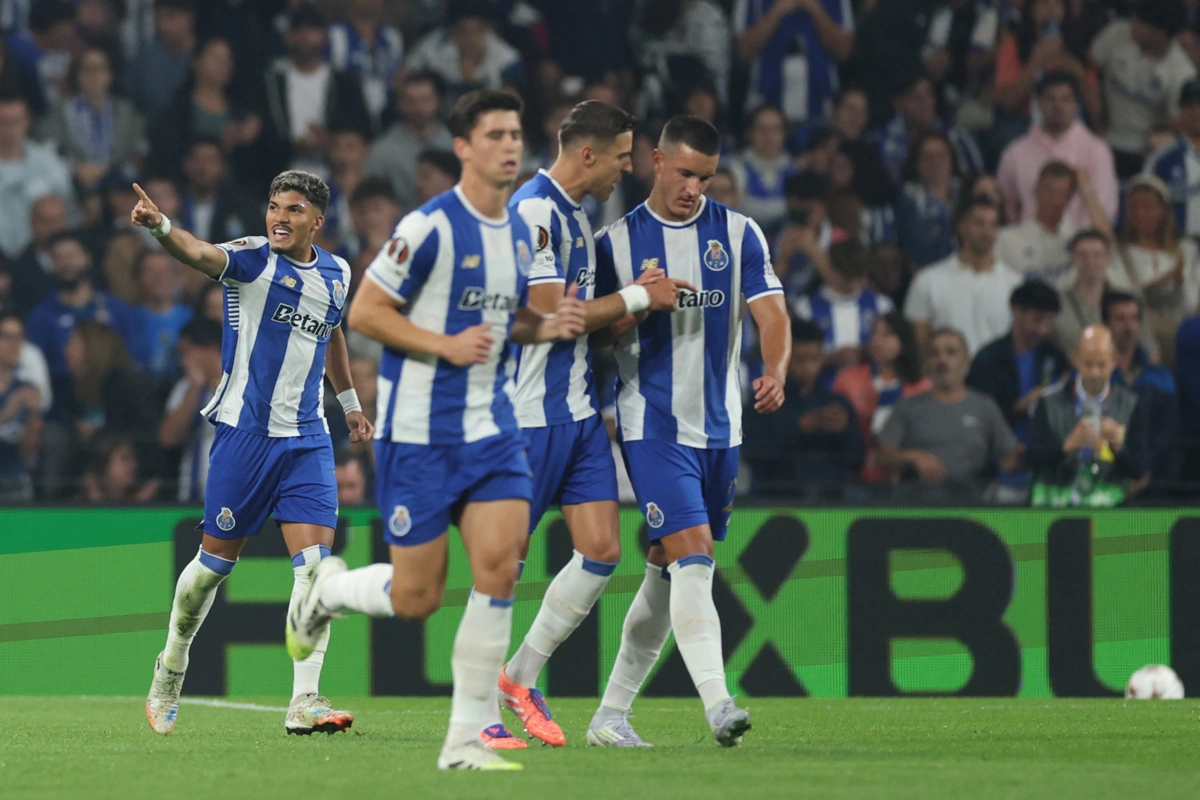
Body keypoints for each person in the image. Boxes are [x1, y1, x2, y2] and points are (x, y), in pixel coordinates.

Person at [286, 90, 587, 772]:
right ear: (463, 147)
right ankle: (326, 591)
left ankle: (462, 742)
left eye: (516, 133)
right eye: (495, 135)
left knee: (499, 568)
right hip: (419, 434)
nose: (511, 145)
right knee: (417, 597)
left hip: (494, 429)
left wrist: (548, 325)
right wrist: (443, 345)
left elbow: (508, 321)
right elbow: (364, 313)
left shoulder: (520, 231)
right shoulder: (428, 227)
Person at [131, 168, 373, 737]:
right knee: (211, 571)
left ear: (318, 221)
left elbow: (331, 331)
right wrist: (161, 226)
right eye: (273, 206)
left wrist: (351, 402)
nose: (279, 218)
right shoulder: (252, 258)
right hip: (243, 435)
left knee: (314, 571)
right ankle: (171, 664)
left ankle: (304, 701)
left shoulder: (337, 272)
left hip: (308, 437)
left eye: (292, 210)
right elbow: (197, 254)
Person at [584, 115, 789, 747]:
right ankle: (719, 704)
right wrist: (638, 303)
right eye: (684, 173)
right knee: (694, 556)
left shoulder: (739, 233)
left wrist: (776, 368)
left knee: (666, 571)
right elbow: (591, 339)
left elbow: (772, 313)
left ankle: (609, 716)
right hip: (653, 426)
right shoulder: (614, 244)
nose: (693, 187)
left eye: (705, 176)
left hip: (721, 430)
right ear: (655, 161)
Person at [492, 100, 687, 750]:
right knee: (504, 571)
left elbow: (590, 333)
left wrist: (635, 306)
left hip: (577, 417)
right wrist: (636, 296)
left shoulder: (578, 217)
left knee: (602, 550)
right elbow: (551, 316)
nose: (627, 169)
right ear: (587, 154)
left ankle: (519, 677)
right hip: (524, 420)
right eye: (622, 156)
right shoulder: (535, 211)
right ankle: (479, 716)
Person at [877, 327, 1023, 502]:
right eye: (934, 353)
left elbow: (1009, 458)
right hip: (917, 506)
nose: (942, 359)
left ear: (967, 362)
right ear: (927, 363)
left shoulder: (984, 406)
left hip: (973, 507)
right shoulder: (907, 407)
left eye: (951, 352)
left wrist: (1033, 454)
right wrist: (913, 457)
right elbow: (882, 456)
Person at [24, 231, 140, 419]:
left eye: (71, 255)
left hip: (116, 403)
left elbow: (134, 355)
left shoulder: (117, 309)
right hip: (62, 408)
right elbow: (35, 369)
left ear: (87, 258)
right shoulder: (40, 316)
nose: (65, 263)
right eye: (57, 258)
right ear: (50, 266)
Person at [1027, 325, 1147, 506]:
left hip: (1108, 508)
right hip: (1054, 506)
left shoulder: (1131, 405)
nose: (1094, 373)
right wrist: (1067, 445)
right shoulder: (1048, 402)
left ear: (1114, 360)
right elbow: (1030, 458)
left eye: (1101, 364)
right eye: (1088, 364)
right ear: (1075, 359)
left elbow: (1139, 469)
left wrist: (1119, 447)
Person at [744, 318, 862, 497]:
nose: (808, 367)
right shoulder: (762, 402)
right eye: (800, 360)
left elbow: (857, 460)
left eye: (814, 359)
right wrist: (799, 429)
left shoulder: (837, 404)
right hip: (775, 501)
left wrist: (845, 432)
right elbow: (753, 455)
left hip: (831, 504)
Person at [260, 5, 371, 179]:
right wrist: (291, 145)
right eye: (299, 30)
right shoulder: (271, 83)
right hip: (277, 175)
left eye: (312, 29)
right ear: (289, 37)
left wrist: (331, 140)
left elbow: (362, 130)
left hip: (334, 176)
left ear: (325, 36)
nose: (305, 36)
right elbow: (263, 132)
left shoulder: (344, 84)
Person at [995, 71, 1118, 228]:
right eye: (1051, 99)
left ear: (1076, 104)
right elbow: (1006, 208)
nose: (1058, 106)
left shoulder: (1097, 150)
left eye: (1066, 99)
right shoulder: (1015, 152)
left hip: (1079, 243)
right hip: (1027, 241)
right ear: (1038, 103)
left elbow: (1105, 208)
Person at [903, 197, 1023, 355]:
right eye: (979, 223)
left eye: (993, 225)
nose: (987, 232)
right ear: (962, 227)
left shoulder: (1016, 283)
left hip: (999, 375)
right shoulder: (928, 280)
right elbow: (918, 341)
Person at [1090, 0, 1195, 179]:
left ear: (1160, 33)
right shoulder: (1118, 33)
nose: (1134, 24)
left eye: (1141, 22)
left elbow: (1178, 122)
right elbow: (1089, 71)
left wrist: (1160, 132)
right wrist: (1096, 122)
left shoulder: (1182, 72)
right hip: (1101, 136)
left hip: (1144, 152)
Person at [1106, 173, 1200, 367]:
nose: (1140, 214)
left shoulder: (1187, 251)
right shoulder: (1117, 254)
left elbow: (1193, 298)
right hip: (1144, 340)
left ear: (1164, 210)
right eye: (1134, 208)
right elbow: (1126, 297)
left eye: (1148, 208)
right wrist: (1164, 283)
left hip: (1188, 335)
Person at [967, 280, 1070, 447]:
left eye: (1049, 322)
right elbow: (977, 412)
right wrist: (1021, 405)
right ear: (1016, 310)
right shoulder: (989, 358)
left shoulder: (1055, 356)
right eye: (1037, 320)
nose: (1042, 329)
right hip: (997, 451)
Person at [832, 311, 929, 484]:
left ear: (904, 341)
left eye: (887, 334)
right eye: (874, 334)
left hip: (909, 476)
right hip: (856, 472)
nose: (877, 341)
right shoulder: (848, 379)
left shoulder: (922, 385)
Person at [37, 45, 146, 192]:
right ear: (77, 75)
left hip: (120, 186)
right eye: (88, 70)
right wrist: (75, 168)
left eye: (100, 69)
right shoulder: (61, 111)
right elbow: (48, 148)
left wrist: (110, 171)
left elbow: (138, 151)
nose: (94, 76)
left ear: (110, 75)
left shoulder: (126, 111)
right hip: (74, 184)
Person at [733, 0, 854, 125]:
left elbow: (844, 51)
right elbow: (743, 51)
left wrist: (815, 10)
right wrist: (777, 11)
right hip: (766, 100)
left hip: (820, 102)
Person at [1053, 230, 1156, 359]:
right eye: (1082, 255)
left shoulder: (1130, 301)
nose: (1090, 262)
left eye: (1097, 255)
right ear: (1072, 259)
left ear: (1108, 258)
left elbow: (1150, 350)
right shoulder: (1056, 302)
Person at [792, 238, 892, 366]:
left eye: (858, 275)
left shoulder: (882, 305)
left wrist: (864, 353)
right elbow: (795, 357)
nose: (853, 283)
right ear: (832, 268)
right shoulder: (804, 308)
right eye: (848, 275)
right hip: (822, 383)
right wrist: (831, 358)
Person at [364, 70, 452, 209]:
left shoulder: (456, 145)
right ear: (400, 103)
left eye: (426, 100)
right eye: (411, 101)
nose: (418, 107)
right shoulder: (383, 150)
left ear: (440, 101)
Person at [0, 96, 73, 260]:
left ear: (27, 122)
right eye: (4, 123)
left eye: (16, 121)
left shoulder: (49, 162)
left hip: (50, 253)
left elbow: (68, 209)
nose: (11, 129)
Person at [158, 316, 220, 503]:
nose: (183, 362)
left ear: (209, 348)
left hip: (239, 498)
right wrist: (195, 388)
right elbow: (168, 438)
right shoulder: (185, 388)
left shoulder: (245, 384)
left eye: (186, 353)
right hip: (192, 500)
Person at [993, 160, 1086, 284]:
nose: (1053, 199)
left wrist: (1088, 190)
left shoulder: (1078, 238)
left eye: (1061, 193)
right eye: (1048, 190)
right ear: (1036, 189)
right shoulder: (1006, 239)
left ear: (1069, 198)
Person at [895, 130, 961, 268]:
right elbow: (914, 249)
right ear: (917, 163)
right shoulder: (909, 198)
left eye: (941, 155)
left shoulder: (966, 192)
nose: (936, 162)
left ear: (952, 159)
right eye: (928, 157)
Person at [727, 104, 795, 235]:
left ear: (784, 134)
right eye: (761, 129)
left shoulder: (794, 170)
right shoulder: (735, 168)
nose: (768, 135)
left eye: (774, 129)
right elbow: (740, 209)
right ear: (750, 133)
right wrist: (787, 206)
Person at [1146, 77, 1200, 238]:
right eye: (1190, 105)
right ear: (1181, 109)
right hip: (1174, 248)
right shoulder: (1162, 160)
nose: (1197, 111)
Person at [0, 312, 42, 502]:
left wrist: (34, 416)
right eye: (8, 337)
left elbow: (27, 454)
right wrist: (8, 411)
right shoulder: (17, 398)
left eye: (20, 338)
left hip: (14, 480)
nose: (15, 345)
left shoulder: (26, 390)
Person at [132, 249, 192, 379]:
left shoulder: (193, 319)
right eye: (151, 272)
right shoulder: (129, 321)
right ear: (138, 278)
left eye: (167, 271)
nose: (160, 278)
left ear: (176, 277)